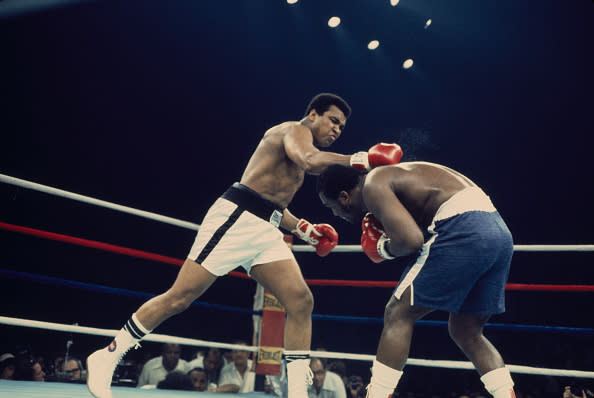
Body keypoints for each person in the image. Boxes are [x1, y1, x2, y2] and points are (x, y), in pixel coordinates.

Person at [86, 92, 402, 398]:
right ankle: (108, 356)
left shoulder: (300, 149)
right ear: (313, 114)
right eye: (333, 120)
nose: (336, 129)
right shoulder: (292, 131)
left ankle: (296, 392)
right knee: (179, 297)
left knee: (301, 300)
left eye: (342, 127)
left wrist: (304, 229)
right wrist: (361, 159)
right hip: (235, 218)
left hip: (264, 228)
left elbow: (272, 203)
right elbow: (309, 160)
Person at [316, 162, 516, 398]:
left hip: (465, 228)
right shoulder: (399, 177)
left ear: (344, 196)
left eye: (331, 208)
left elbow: (411, 241)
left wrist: (383, 249)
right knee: (466, 331)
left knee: (397, 312)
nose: (335, 214)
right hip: (499, 233)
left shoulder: (372, 184)